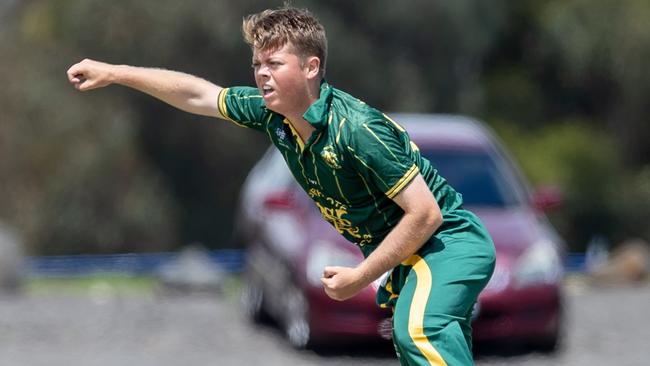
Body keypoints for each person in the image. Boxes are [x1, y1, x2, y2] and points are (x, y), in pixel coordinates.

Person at [67, 6, 495, 365]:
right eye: (256, 64)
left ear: (311, 68)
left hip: (448, 245)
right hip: (415, 256)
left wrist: (360, 276)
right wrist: (116, 72)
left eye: (273, 64)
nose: (261, 74)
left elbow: (426, 213)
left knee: (417, 329)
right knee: (421, 344)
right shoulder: (275, 116)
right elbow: (198, 95)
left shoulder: (357, 129)